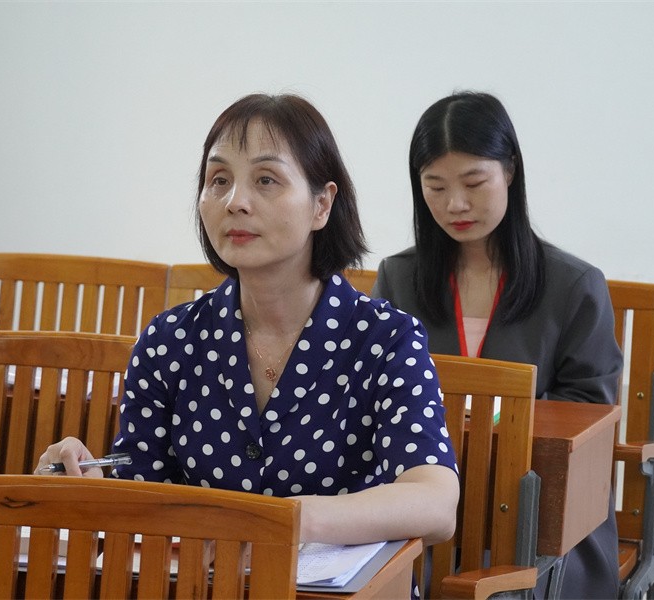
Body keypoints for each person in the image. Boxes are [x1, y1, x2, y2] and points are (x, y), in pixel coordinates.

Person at [38, 93, 460, 552]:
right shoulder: (168, 340)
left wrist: (279, 521)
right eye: (219, 180)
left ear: (322, 204)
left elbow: (435, 504)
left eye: (266, 180)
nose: (235, 201)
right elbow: (141, 494)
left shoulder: (387, 338)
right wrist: (84, 483)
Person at [373, 91, 623, 598]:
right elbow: (372, 398)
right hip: (424, 506)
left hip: (539, 514)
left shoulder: (574, 285)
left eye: (473, 183)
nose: (455, 204)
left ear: (509, 170)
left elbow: (585, 417)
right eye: (435, 186)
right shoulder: (399, 279)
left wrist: (486, 429)